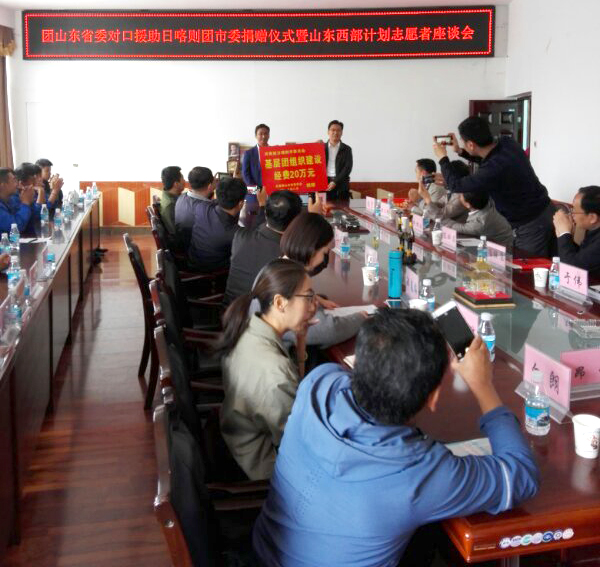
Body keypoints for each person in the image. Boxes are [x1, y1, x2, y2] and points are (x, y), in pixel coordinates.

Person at [253, 308, 540, 566]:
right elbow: (522, 476)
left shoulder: (319, 383)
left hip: (264, 552)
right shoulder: (419, 472)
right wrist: (483, 386)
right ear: (433, 398)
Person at [217, 258, 317, 480]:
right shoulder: (275, 373)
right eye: (308, 297)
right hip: (264, 466)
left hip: (238, 439)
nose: (313, 307)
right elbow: (300, 444)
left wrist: (301, 345)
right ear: (280, 302)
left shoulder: (250, 327)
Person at [433, 117, 556, 257]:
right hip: (546, 212)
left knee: (528, 266)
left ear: (471, 144)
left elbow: (456, 185)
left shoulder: (493, 168)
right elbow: (488, 160)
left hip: (531, 224)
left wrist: (443, 158)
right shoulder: (507, 143)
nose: (463, 144)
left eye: (463, 142)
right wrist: (460, 151)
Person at [279, 212, 367, 347]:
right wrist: (360, 318)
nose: (322, 260)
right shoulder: (288, 282)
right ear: (312, 249)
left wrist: (317, 298)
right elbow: (327, 331)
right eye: (324, 252)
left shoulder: (278, 268)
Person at [223, 190, 303, 306]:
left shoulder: (240, 236)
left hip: (230, 310)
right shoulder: (292, 254)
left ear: (265, 213)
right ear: (297, 220)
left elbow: (259, 229)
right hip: (262, 316)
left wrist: (262, 205)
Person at [188, 176, 255, 272]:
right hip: (213, 272)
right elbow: (256, 236)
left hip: (193, 260)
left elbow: (218, 200)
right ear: (241, 204)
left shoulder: (202, 207)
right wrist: (262, 205)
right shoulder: (234, 233)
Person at [553, 185, 600, 277]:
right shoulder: (592, 229)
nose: (571, 214)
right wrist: (565, 236)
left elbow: (571, 270)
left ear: (592, 218)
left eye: (574, 210)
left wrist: (564, 233)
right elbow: (581, 258)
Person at [442, 191, 514, 249]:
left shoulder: (479, 222)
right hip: (490, 238)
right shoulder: (485, 202)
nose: (458, 196)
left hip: (500, 248)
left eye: (461, 196)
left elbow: (452, 225)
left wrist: (438, 215)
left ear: (468, 205)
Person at [174, 166, 214, 248]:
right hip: (196, 249)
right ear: (210, 186)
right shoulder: (207, 210)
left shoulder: (181, 197)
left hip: (183, 243)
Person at [0, 167, 38, 235]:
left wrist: (30, 202)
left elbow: (34, 219)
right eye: (14, 181)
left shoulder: (11, 200)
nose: (17, 184)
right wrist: (26, 203)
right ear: (2, 185)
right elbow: (16, 227)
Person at [13, 163, 46, 235]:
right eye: (34, 179)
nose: (37, 181)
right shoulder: (14, 197)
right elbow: (19, 226)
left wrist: (41, 192)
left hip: (33, 235)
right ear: (22, 182)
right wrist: (26, 203)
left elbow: (39, 214)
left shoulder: (29, 192)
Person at [324, 120, 353, 201]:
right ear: (328, 132)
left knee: (342, 208)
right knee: (324, 207)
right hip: (324, 183)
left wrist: (335, 181)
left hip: (341, 184)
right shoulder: (321, 148)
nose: (335, 132)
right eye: (333, 130)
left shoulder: (347, 149)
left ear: (342, 133)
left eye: (338, 130)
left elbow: (347, 168)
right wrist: (315, 144)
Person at [159, 166, 185, 238]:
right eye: (182, 179)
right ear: (176, 184)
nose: (184, 181)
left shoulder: (171, 197)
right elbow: (175, 233)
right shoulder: (170, 205)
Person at [242, 123, 270, 189]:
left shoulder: (274, 152)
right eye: (260, 134)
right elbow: (245, 175)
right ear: (256, 136)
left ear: (269, 135)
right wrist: (257, 191)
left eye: (266, 133)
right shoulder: (248, 153)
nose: (263, 136)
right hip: (254, 191)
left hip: (271, 191)